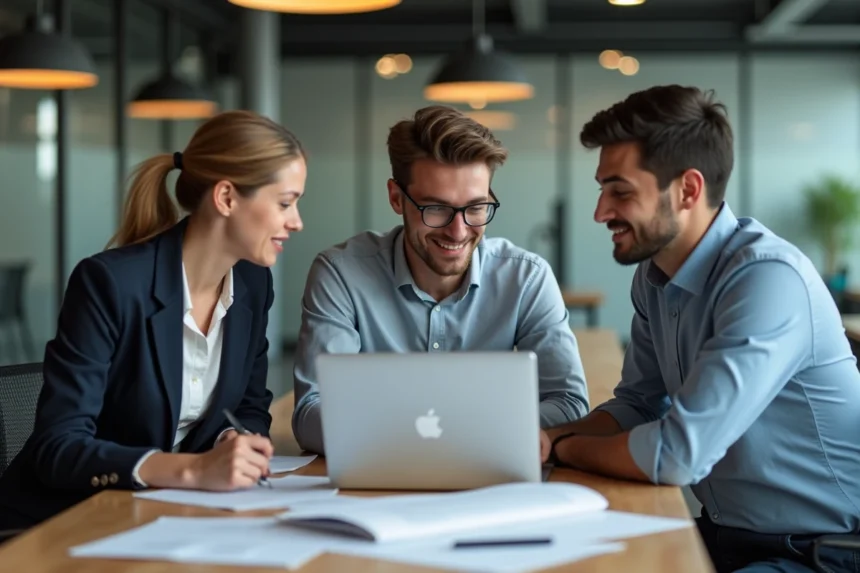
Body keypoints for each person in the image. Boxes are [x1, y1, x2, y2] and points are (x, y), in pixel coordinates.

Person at [540, 85, 860, 572]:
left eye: (620, 191)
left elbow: (676, 454)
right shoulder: (652, 277)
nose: (601, 212)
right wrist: (547, 436)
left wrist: (564, 448)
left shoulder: (767, 279)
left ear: (687, 189)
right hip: (729, 534)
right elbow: (639, 405)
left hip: (821, 552)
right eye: (602, 188)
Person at [0, 110, 307, 531]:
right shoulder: (110, 283)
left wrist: (232, 443)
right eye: (285, 203)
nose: (296, 222)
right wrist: (193, 470)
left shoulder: (253, 283)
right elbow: (58, 447)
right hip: (64, 520)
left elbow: (249, 405)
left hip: (172, 514)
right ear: (226, 198)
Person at [292, 105, 589, 455]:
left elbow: (569, 404)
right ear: (396, 198)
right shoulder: (341, 273)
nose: (459, 230)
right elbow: (312, 411)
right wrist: (476, 432)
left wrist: (434, 432)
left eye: (476, 207)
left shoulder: (526, 278)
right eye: (436, 208)